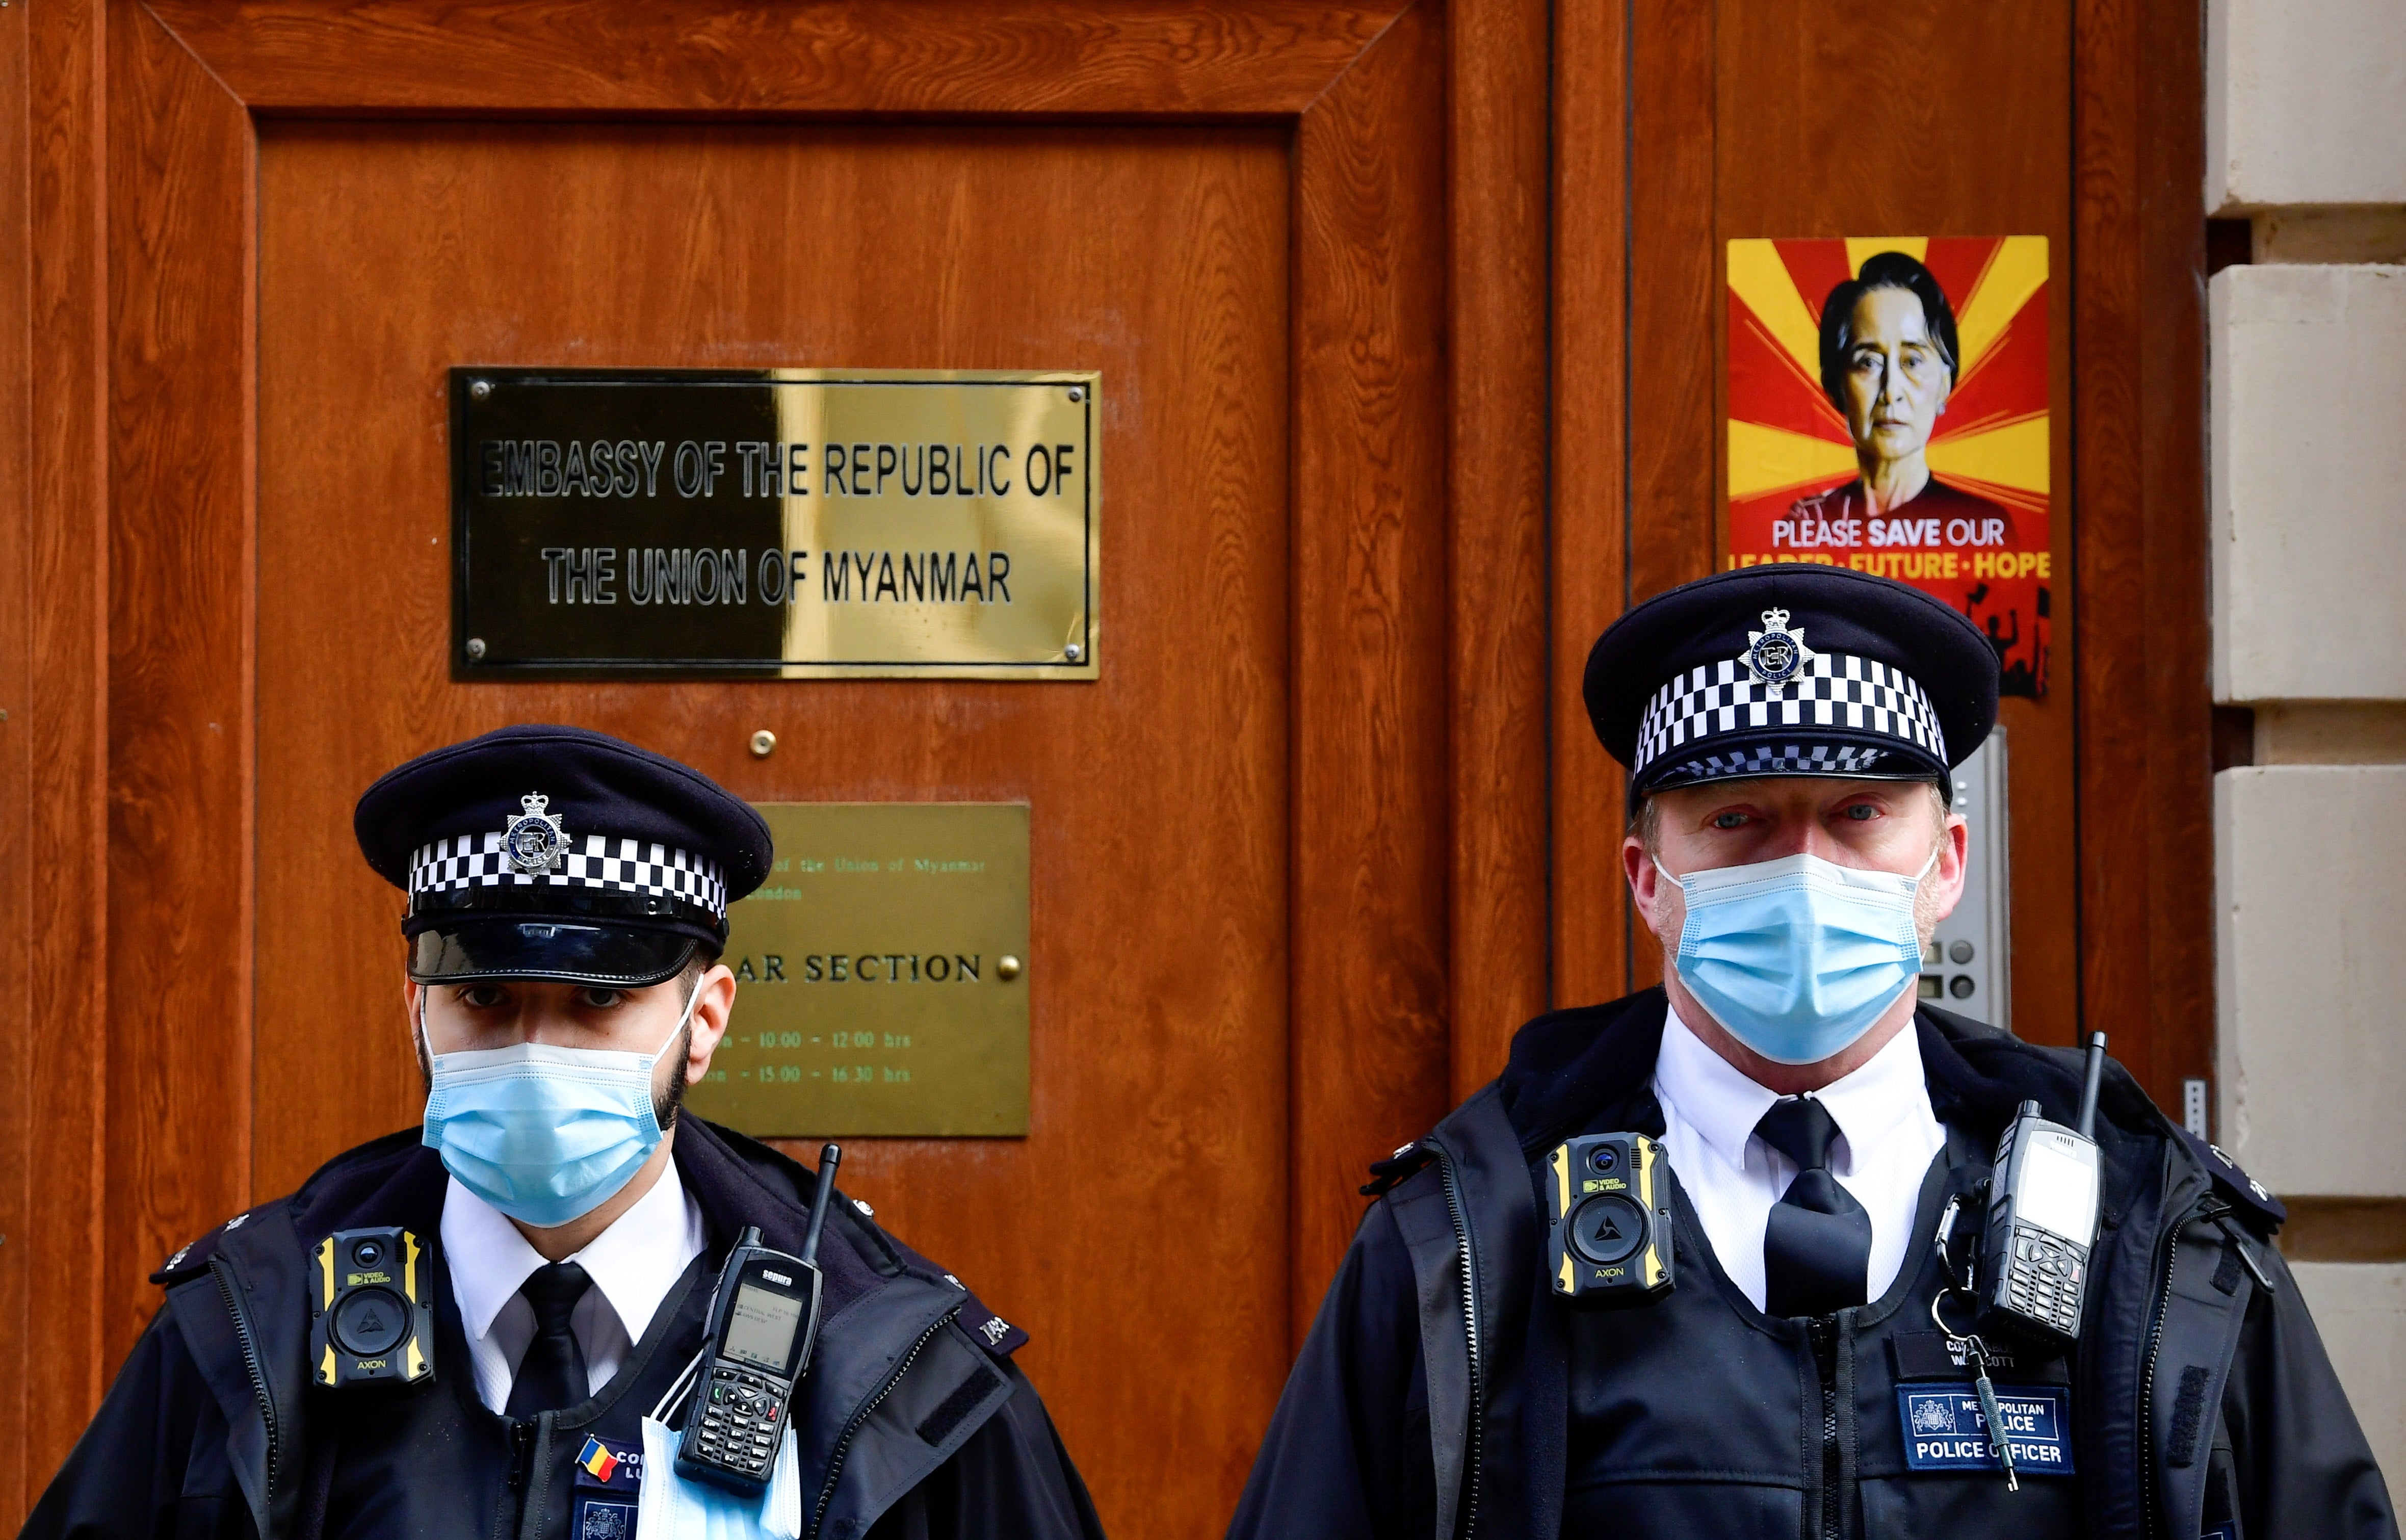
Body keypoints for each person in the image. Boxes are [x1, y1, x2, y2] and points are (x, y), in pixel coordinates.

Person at [1227, 566, 2396, 1538]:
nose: (1802, 870)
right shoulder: (1468, 1241)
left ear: (1944, 861)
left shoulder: (2147, 1231)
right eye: (1737, 819)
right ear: (1649, 878)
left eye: (1856, 814)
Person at [24, 724, 1104, 1540]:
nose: (536, 1050)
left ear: (705, 1020)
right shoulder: (245, 1333)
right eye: (486, 1000)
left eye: (597, 1004)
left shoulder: (893, 1372)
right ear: (417, 1009)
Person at [1790, 250, 2018, 541]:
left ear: (1945, 384)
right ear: (1837, 386)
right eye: (1869, 363)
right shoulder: (1807, 527)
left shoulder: (1983, 529)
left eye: (1912, 362)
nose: (1891, 392)